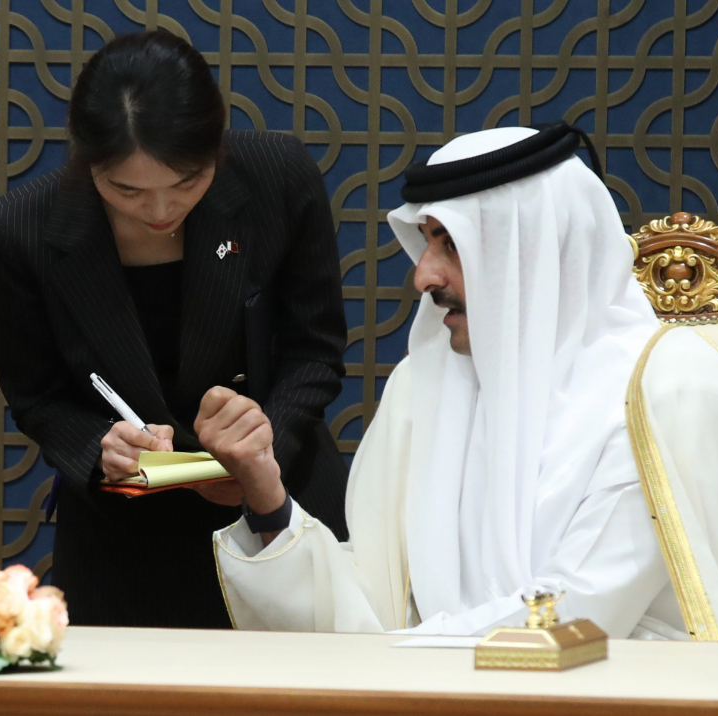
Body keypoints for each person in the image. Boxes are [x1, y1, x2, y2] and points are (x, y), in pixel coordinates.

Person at [202, 122, 690, 639]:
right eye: (426, 242)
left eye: (453, 246)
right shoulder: (423, 387)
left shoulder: (655, 395)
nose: (423, 277)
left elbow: (575, 622)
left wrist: (395, 662)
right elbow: (374, 601)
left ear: (535, 250)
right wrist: (266, 493)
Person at [0, 30, 350, 628]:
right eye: (126, 190)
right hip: (126, 541)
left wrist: (259, 456)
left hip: (280, 510)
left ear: (217, 148)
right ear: (88, 163)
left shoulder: (277, 177)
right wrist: (98, 447)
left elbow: (316, 350)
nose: (159, 212)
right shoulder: (24, 225)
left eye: (187, 183)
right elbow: (37, 395)